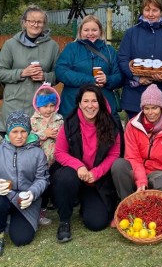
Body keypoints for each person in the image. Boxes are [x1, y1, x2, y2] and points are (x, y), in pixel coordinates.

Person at [50, 84, 121, 242]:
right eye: (86, 101)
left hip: (96, 180)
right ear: (80, 104)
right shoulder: (69, 123)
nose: (90, 105)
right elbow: (60, 152)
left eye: (94, 101)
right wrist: (79, 166)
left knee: (97, 223)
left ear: (100, 103)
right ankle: (64, 221)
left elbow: (114, 154)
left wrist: (95, 173)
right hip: (74, 174)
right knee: (66, 177)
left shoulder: (111, 124)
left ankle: (84, 203)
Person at [0, 111, 49, 257]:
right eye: (14, 131)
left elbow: (42, 179)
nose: (19, 136)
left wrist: (32, 193)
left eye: (23, 131)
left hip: (26, 201)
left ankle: (13, 219)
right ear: (8, 132)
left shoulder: (37, 153)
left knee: (21, 239)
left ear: (28, 132)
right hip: (4, 197)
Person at [111, 84, 162, 202]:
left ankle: (153, 207)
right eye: (146, 108)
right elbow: (133, 157)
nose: (150, 112)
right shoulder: (132, 125)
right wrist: (141, 180)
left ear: (161, 108)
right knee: (119, 165)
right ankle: (128, 203)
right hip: (137, 171)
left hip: (160, 174)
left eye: (154, 108)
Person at [0, 6, 59, 134]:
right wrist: (22, 73)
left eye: (39, 22)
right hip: (15, 104)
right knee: (14, 147)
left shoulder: (52, 46)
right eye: (31, 21)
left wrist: (44, 76)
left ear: (44, 24)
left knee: (41, 149)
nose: (35, 24)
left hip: (42, 107)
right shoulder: (10, 44)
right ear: (24, 23)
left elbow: (59, 75)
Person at [118, 0, 162, 119]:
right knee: (135, 135)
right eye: (147, 10)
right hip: (135, 96)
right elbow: (123, 59)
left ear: (161, 12)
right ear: (142, 11)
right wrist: (136, 77)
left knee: (161, 136)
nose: (150, 14)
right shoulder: (131, 33)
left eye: (155, 10)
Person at [55, 15, 123, 130]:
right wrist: (90, 80)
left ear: (100, 31)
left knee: (108, 140)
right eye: (86, 30)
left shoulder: (109, 51)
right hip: (73, 104)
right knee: (75, 141)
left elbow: (120, 76)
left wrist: (107, 79)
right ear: (80, 32)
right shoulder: (71, 49)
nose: (90, 33)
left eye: (94, 30)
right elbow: (61, 71)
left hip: (104, 105)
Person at [30, 82, 64, 226]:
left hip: (56, 158)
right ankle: (40, 211)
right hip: (40, 160)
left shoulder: (59, 118)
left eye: (51, 106)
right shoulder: (33, 120)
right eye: (45, 106)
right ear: (38, 106)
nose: (49, 109)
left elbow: (63, 134)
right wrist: (45, 133)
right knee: (41, 186)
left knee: (53, 184)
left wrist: (59, 136)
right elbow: (30, 137)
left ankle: (56, 204)